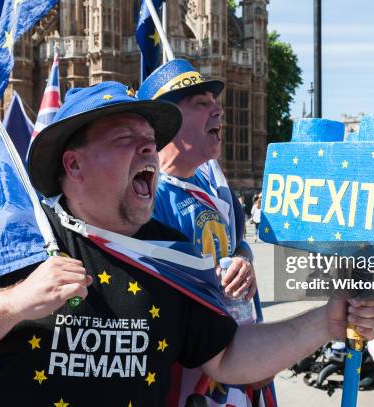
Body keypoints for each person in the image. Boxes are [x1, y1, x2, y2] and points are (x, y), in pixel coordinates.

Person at [0, 81, 374, 407]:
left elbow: (228, 356)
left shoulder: (175, 257)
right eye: (125, 138)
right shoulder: (19, 237)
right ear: (73, 165)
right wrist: (14, 302)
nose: (148, 149)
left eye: (150, 141)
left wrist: (325, 321)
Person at [138, 60, 265, 404]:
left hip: (233, 372)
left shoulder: (216, 190)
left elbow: (236, 246)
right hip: (185, 380)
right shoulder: (147, 197)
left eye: (215, 100)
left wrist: (242, 261)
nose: (218, 109)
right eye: (201, 103)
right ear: (169, 120)